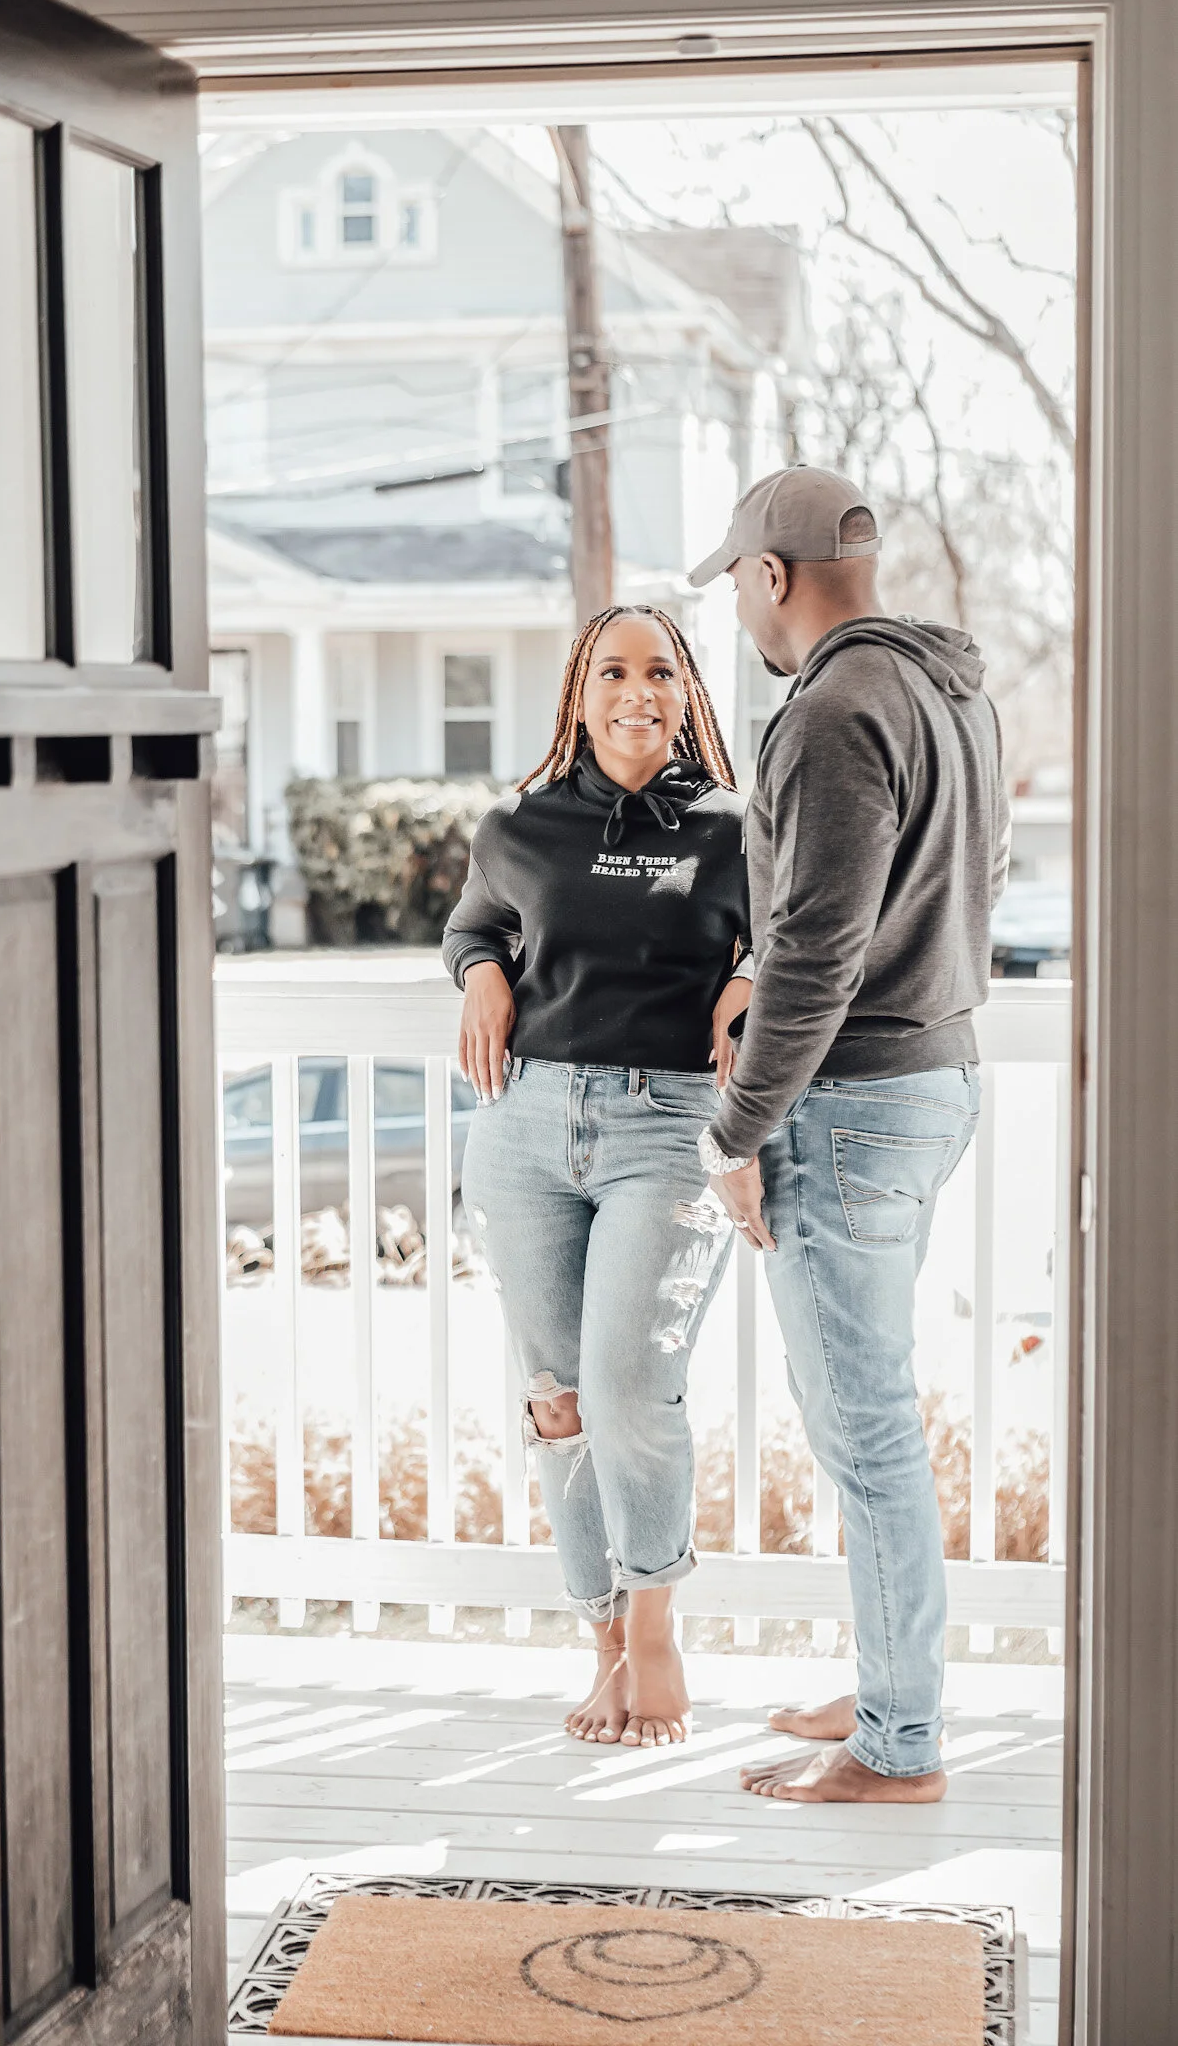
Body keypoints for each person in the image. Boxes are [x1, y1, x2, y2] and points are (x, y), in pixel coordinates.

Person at [687, 465, 1010, 1805]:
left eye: (738, 586)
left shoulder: (828, 709)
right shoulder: (950, 687)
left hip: (846, 1103)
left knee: (863, 1429)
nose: (742, 618)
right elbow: (957, 887)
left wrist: (733, 1126)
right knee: (867, 1415)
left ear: (771, 575)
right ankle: (889, 1683)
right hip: (933, 1080)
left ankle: (897, 1746)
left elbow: (814, 952)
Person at [443, 604, 752, 1751]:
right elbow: (475, 924)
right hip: (523, 1127)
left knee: (630, 1387)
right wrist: (480, 973)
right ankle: (603, 1635)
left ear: (688, 692)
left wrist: (751, 980)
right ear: (580, 689)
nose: (637, 690)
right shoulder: (519, 822)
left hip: (667, 1127)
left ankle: (659, 1623)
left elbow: (802, 940)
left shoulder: (733, 828)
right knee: (558, 1396)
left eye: (659, 670)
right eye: (613, 670)